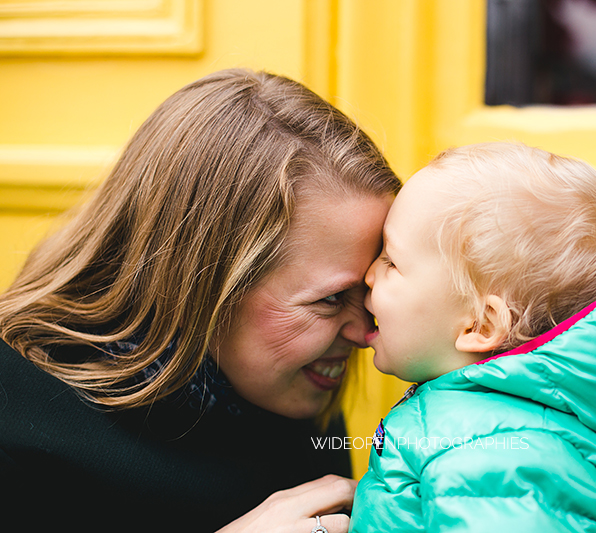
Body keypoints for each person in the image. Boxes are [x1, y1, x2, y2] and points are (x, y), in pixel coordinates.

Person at [0, 68, 402, 532]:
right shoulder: (19, 419)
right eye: (331, 298)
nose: (366, 332)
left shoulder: (288, 390)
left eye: (372, 289)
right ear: (200, 284)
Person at [350, 142, 596, 532]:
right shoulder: (488, 432)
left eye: (391, 261)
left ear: (480, 326)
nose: (368, 275)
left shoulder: (502, 457)